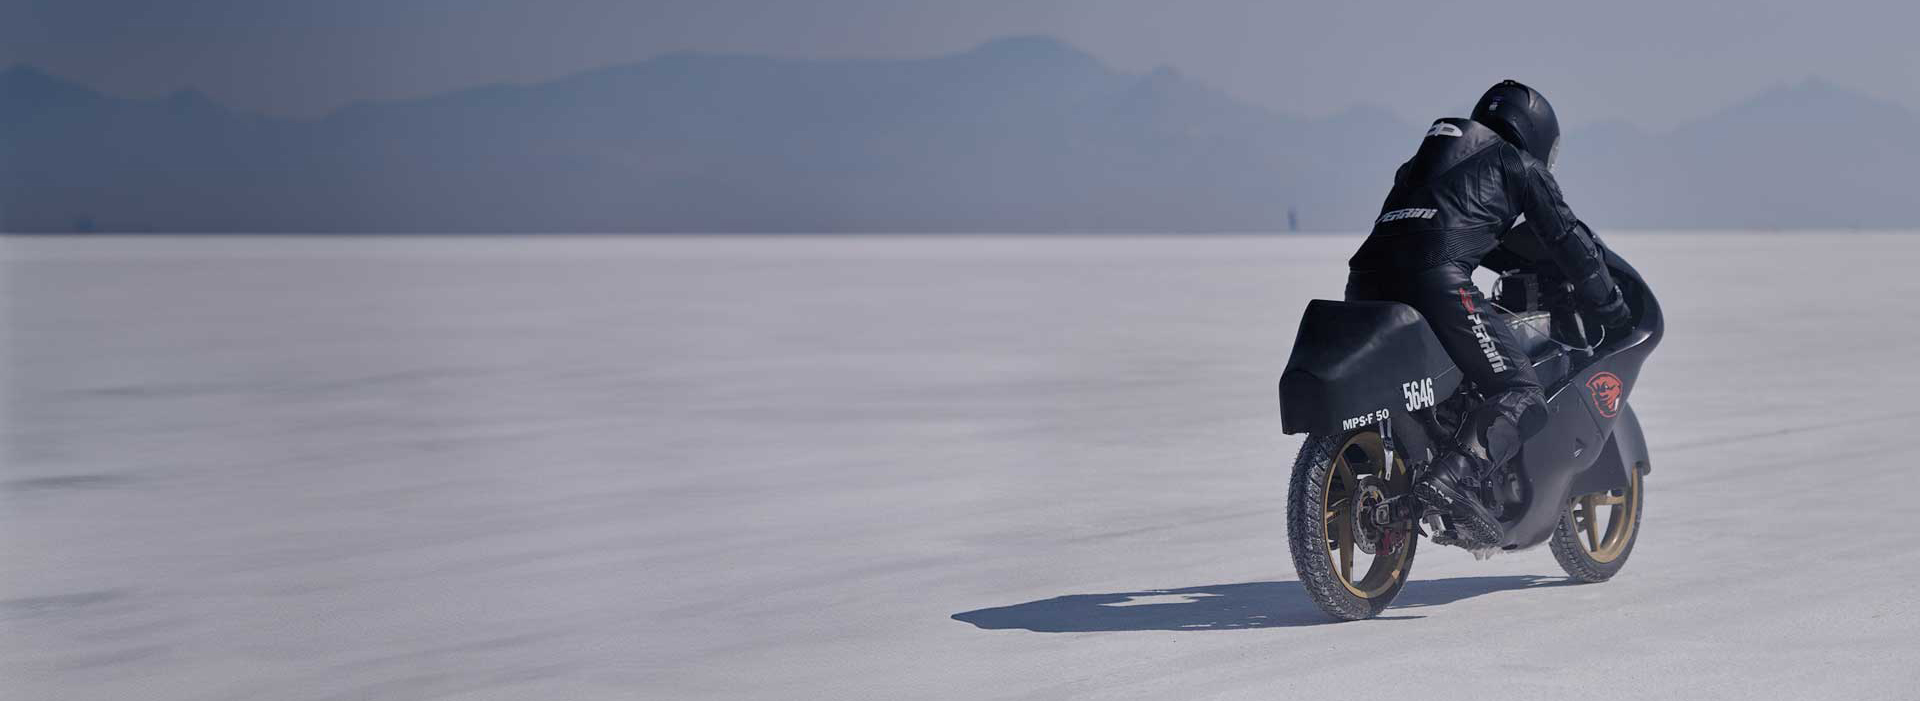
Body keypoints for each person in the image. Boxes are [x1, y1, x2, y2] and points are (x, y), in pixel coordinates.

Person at [1345, 80, 1631, 545]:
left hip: (1365, 280)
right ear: (1535, 133)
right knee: (1521, 392)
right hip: (1436, 282)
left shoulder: (1427, 158)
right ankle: (1453, 478)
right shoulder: (1517, 164)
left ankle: (1425, 460)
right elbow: (1568, 241)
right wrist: (1612, 308)